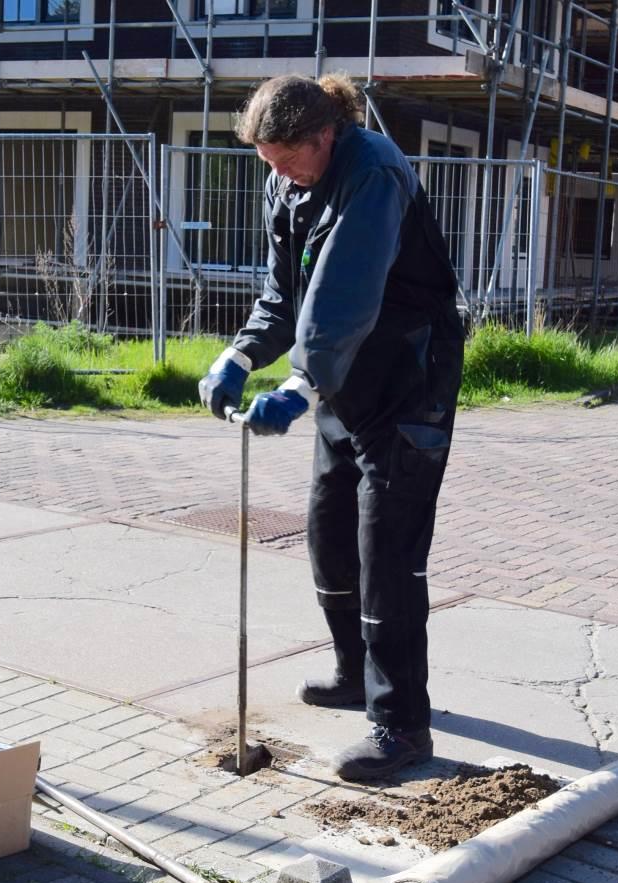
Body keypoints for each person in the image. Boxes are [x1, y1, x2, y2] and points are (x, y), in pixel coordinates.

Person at [198, 73, 464, 782]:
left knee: (388, 552)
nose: (277, 174)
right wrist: (241, 353)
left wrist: (297, 383)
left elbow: (344, 292)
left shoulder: (372, 171)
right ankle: (354, 672)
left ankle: (401, 725)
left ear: (323, 137)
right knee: (329, 529)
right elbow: (285, 292)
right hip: (345, 384)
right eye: (267, 164)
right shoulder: (287, 179)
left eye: (286, 159)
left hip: (408, 376)